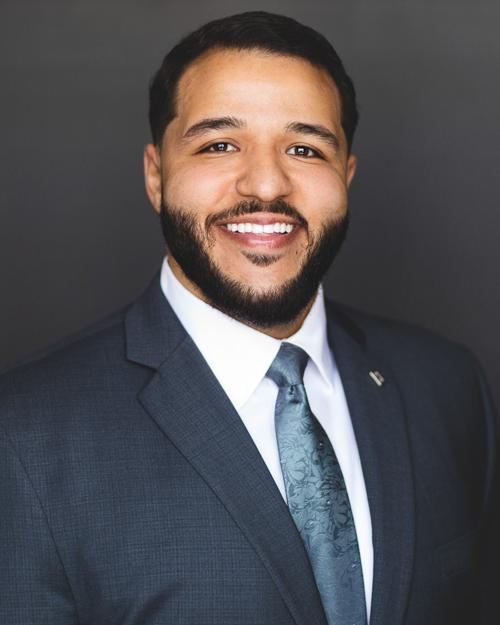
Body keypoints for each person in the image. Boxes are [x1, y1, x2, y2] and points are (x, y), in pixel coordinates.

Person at [0, 11, 497, 625]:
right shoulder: (22, 436)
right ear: (156, 175)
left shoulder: (447, 387)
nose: (266, 184)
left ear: (346, 175)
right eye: (219, 145)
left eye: (304, 148)